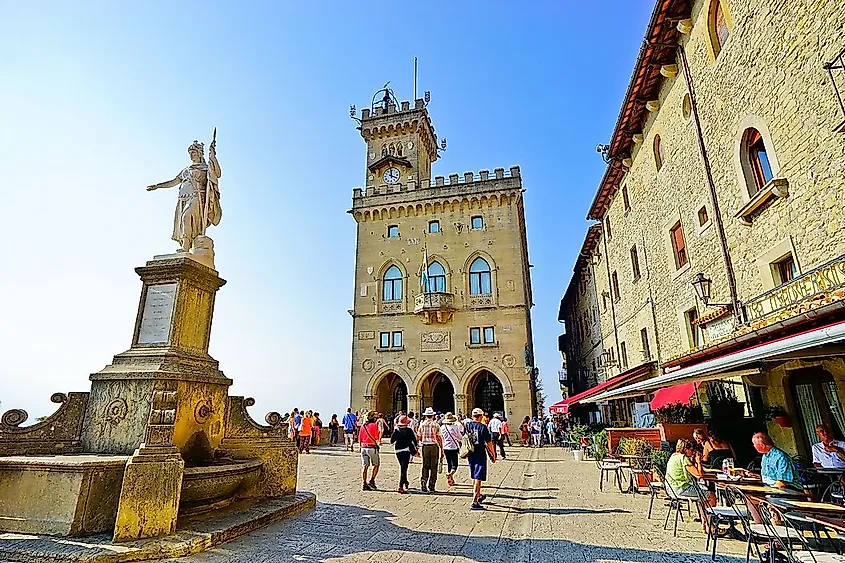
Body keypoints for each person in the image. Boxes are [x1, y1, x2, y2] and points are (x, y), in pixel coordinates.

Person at [465, 408, 496, 510]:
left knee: (474, 475)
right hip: (480, 453)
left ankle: (478, 495)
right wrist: (493, 454)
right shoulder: (483, 427)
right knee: (478, 476)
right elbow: (489, 442)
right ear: (481, 416)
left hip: (470, 453)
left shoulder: (468, 425)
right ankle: (474, 501)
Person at [418, 407, 444, 493]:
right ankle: (431, 485)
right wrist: (442, 449)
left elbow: (419, 436)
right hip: (434, 446)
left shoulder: (422, 425)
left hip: (425, 446)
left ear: (426, 416)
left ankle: (423, 481)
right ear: (432, 416)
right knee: (434, 467)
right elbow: (439, 437)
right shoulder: (436, 425)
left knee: (425, 465)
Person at [391, 415, 418, 494]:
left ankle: (405, 482)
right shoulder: (409, 430)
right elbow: (414, 440)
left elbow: (392, 441)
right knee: (404, 468)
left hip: (398, 451)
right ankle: (400, 486)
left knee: (403, 467)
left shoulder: (396, 430)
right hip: (406, 450)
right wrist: (416, 448)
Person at [359, 411, 382, 491]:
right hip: (372, 448)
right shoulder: (374, 425)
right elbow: (376, 437)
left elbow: (360, 438)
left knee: (365, 466)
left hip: (363, 447)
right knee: (376, 464)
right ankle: (372, 480)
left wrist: (360, 447)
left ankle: (364, 483)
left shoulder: (363, 426)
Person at [440, 412, 464, 486]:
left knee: (449, 464)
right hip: (453, 447)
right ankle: (450, 474)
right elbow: (460, 437)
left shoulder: (442, 428)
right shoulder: (455, 427)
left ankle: (450, 480)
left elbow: (441, 438)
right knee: (455, 465)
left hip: (445, 447)